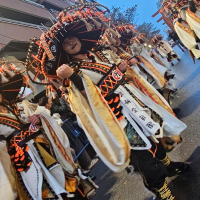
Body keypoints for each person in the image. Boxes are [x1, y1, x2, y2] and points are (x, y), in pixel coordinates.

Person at [27, 3, 190, 199]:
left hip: (132, 101)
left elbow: (119, 73)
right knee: (142, 153)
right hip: (116, 115)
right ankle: (161, 190)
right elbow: (84, 100)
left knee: (153, 135)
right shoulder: (70, 73)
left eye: (71, 37)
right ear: (62, 52)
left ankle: (168, 165)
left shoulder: (97, 54)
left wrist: (123, 70)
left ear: (79, 37)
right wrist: (76, 78)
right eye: (65, 42)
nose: (70, 41)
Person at [0, 61, 97, 199]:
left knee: (66, 185)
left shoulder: (14, 106)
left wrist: (39, 118)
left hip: (45, 151)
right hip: (24, 165)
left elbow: (35, 119)